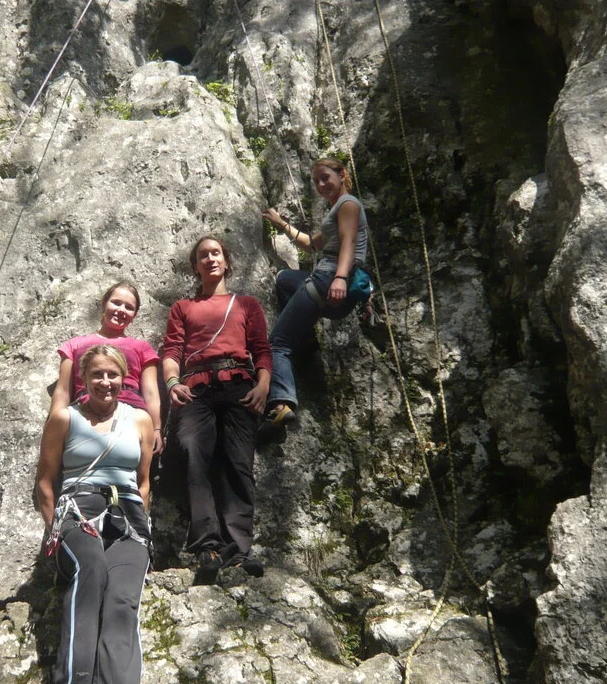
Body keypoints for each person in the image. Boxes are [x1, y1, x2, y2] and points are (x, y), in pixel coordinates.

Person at [35, 345, 155, 684]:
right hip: (78, 511)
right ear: (84, 379)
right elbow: (45, 482)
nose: (105, 382)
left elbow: (143, 482)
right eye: (97, 375)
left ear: (124, 378)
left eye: (112, 374)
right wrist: (55, 528)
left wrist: (138, 519)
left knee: (122, 599)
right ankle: (76, 678)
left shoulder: (140, 420)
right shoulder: (65, 419)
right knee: (91, 569)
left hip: (128, 516)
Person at [161, 236, 271, 584]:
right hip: (196, 389)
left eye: (215, 253)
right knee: (195, 454)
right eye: (202, 256)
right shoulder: (183, 307)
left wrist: (263, 386)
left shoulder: (246, 304)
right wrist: (172, 383)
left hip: (239, 386)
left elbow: (261, 349)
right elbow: (172, 351)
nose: (210, 259)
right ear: (195, 266)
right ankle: (207, 546)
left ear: (226, 262)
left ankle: (239, 549)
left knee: (238, 463)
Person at [261, 157, 372, 426]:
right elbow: (312, 245)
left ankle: (281, 403)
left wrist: (340, 278)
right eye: (316, 181)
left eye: (326, 177)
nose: (321, 184)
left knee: (277, 343)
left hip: (329, 280)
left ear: (342, 174)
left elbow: (348, 242)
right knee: (285, 279)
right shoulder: (337, 210)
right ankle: (307, 339)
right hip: (334, 289)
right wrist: (280, 223)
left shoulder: (347, 204)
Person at [48, 281, 163, 454]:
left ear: (134, 315)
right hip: (86, 412)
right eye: (116, 302)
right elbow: (63, 390)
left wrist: (155, 428)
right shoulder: (75, 345)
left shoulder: (142, 348)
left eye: (129, 307)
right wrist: (55, 427)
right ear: (104, 303)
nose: (121, 310)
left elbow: (151, 393)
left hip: (131, 415)